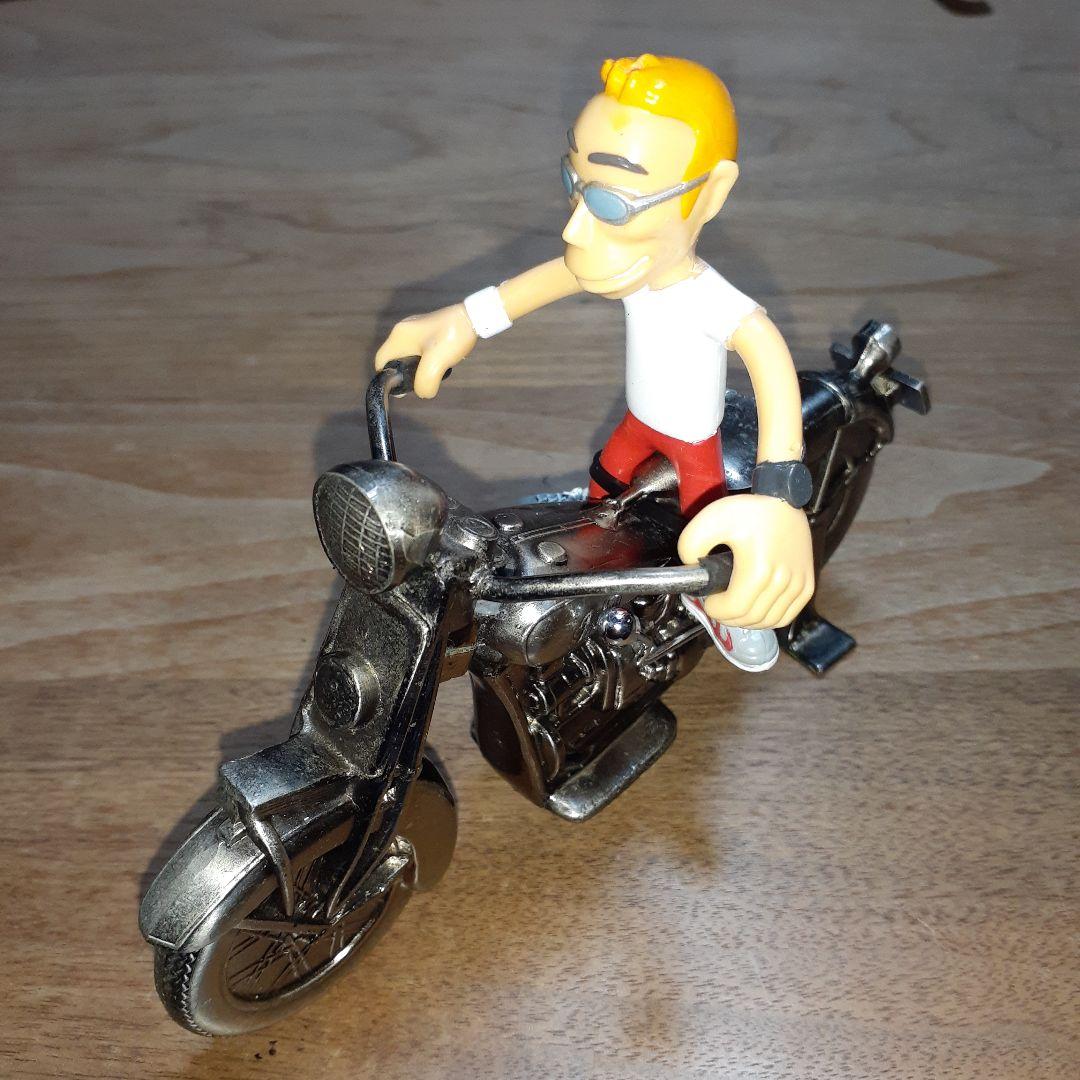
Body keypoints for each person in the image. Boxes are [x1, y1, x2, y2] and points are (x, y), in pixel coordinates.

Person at [375, 54, 815, 672]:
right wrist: (466, 319)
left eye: (612, 204)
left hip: (694, 444)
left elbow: (773, 370)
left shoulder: (713, 301)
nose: (577, 228)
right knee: (601, 486)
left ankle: (722, 611)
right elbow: (547, 281)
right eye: (574, 183)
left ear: (711, 193)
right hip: (639, 423)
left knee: (706, 545)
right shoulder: (626, 265)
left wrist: (781, 504)